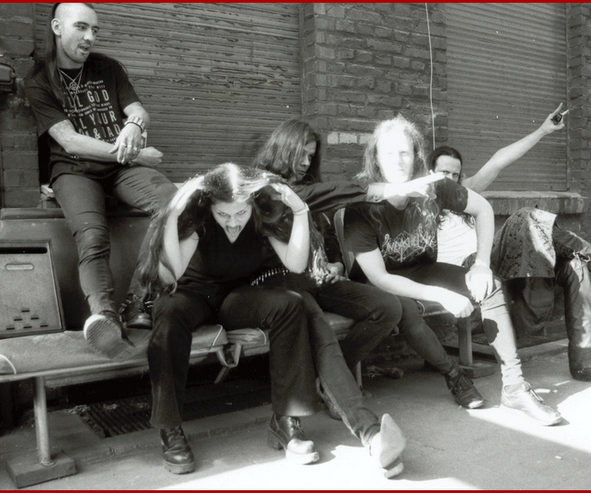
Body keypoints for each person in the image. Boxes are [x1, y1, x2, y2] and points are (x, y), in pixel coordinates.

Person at [140, 163, 407, 477]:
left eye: (240, 213)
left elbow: (296, 264)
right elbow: (170, 275)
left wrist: (300, 211)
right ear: (211, 207)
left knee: (289, 304)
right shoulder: (198, 218)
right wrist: (173, 215)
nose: (232, 223)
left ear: (251, 205)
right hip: (192, 294)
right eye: (223, 214)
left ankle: (285, 420)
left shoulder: (260, 217)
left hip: (236, 296)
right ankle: (170, 428)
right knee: (169, 311)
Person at [342, 115, 563, 426]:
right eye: (389, 152)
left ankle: (515, 387)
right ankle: (453, 374)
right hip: (380, 282)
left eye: (405, 152)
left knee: (490, 286)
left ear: (416, 155)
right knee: (405, 308)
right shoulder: (361, 204)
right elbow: (380, 277)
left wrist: (482, 265)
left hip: (422, 269)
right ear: (376, 157)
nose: (398, 160)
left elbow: (483, 209)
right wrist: (442, 295)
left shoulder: (434, 187)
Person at [253, 119, 483, 411]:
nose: (305, 162)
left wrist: (336, 263)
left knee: (388, 308)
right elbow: (324, 195)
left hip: (321, 280)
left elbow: (326, 234)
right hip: (283, 284)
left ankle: (334, 377)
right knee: (378, 312)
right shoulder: (267, 188)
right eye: (301, 154)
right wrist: (392, 189)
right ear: (283, 149)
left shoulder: (308, 185)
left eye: (310, 156)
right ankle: (339, 385)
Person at [431, 106, 591, 387]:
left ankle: (586, 363)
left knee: (573, 266)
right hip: (464, 273)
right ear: (430, 173)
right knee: (524, 216)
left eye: (455, 175)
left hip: (490, 263)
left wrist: (542, 130)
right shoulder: (422, 201)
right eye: (443, 173)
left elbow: (498, 161)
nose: (450, 180)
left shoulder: (465, 195)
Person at [24, 3, 177, 359]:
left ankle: (139, 301)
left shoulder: (107, 68)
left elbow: (138, 110)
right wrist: (136, 154)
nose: (90, 37)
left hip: (120, 170)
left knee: (174, 204)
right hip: (74, 170)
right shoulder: (38, 79)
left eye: (95, 30)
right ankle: (104, 318)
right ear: (57, 27)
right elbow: (70, 141)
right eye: (81, 27)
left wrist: (134, 124)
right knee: (92, 236)